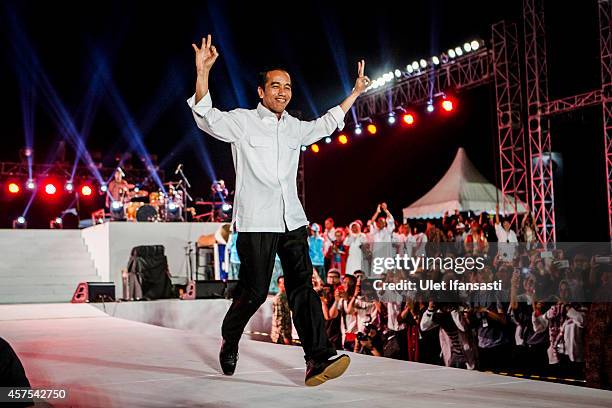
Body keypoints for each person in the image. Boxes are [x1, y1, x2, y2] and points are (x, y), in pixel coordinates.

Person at [188, 34, 370, 386]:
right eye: (275, 86)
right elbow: (205, 117)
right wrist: (203, 73)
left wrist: (356, 92)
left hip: (293, 221)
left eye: (287, 86)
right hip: (256, 221)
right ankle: (230, 334)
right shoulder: (242, 122)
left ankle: (318, 358)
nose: (283, 92)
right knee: (254, 291)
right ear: (261, 91)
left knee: (303, 287)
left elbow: (327, 123)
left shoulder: (294, 127)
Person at [271, 276, 292, 345]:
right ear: (279, 285)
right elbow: (278, 319)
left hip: (287, 333)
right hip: (279, 336)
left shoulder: (286, 296)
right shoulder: (279, 299)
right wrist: (284, 336)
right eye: (283, 283)